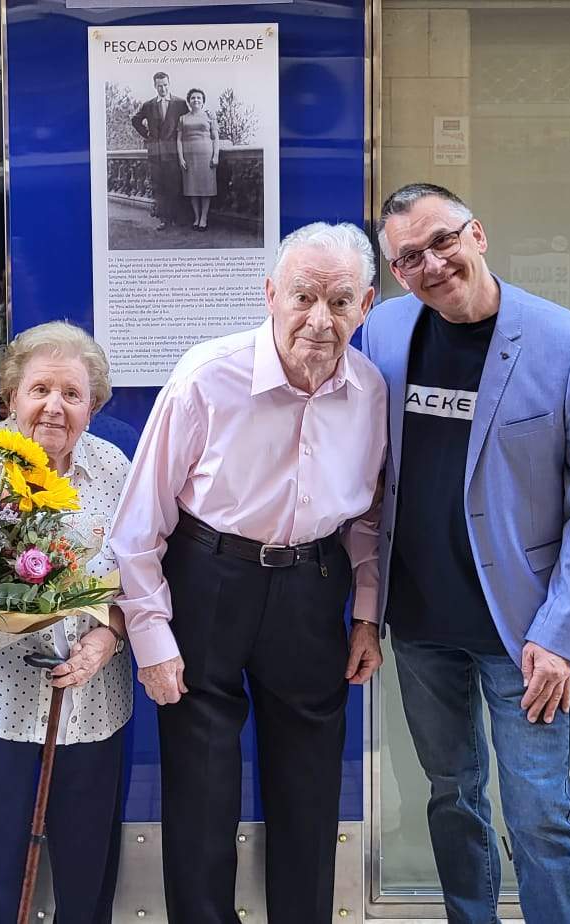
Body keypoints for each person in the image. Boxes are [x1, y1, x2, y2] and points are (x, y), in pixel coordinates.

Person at [110, 222, 387, 923]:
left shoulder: (371, 391)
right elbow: (139, 522)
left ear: (367, 305)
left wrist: (365, 614)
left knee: (310, 778)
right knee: (200, 780)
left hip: (311, 585)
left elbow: (368, 519)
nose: (320, 320)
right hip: (209, 578)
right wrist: (152, 636)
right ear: (270, 295)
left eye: (341, 301)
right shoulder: (208, 374)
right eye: (303, 297)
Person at [366, 183, 570, 924]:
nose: (431, 263)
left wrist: (563, 634)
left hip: (526, 634)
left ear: (477, 234)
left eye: (441, 240)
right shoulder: (385, 331)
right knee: (450, 798)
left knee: (540, 812)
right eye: (408, 257)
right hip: (420, 626)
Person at [0, 322, 134, 924]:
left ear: (93, 407)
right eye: (39, 389)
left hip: (93, 702)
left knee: (86, 865)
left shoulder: (114, 467)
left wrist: (106, 636)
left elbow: (141, 575)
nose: (54, 406)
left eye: (72, 394)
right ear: (11, 396)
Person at [130, 72, 187, 231]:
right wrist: (147, 134)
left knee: (175, 185)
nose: (163, 88)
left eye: (165, 85)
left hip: (174, 152)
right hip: (155, 152)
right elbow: (135, 120)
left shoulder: (180, 103)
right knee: (159, 186)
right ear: (155, 86)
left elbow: (187, 124)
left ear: (169, 84)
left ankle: (177, 218)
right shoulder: (148, 105)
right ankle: (164, 220)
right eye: (159, 86)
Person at [175, 89, 219, 232]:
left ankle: (204, 218)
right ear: (189, 101)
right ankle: (196, 217)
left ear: (203, 101)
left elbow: (215, 137)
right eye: (193, 98)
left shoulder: (210, 117)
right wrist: (181, 157)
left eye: (199, 98)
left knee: (206, 188)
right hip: (189, 156)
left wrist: (216, 155)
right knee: (192, 188)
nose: (196, 100)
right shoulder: (183, 118)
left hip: (206, 154)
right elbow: (179, 139)